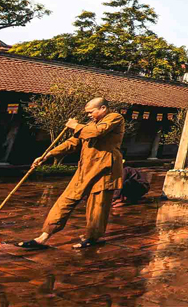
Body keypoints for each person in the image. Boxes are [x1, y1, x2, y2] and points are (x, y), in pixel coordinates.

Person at [17, 97, 124, 250]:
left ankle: (92, 237)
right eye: (87, 113)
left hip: (104, 170)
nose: (88, 115)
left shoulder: (115, 118)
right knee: (66, 200)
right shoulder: (89, 124)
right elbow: (72, 143)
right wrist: (48, 155)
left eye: (91, 112)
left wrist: (75, 125)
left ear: (103, 109)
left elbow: (97, 133)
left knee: (98, 206)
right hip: (85, 169)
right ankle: (43, 237)